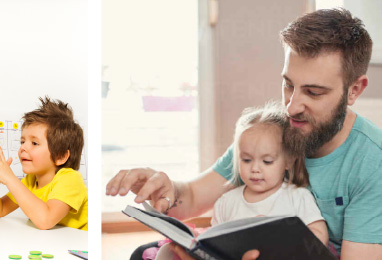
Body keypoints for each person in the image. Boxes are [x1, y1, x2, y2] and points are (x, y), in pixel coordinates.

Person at [107, 8, 380, 259]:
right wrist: (165, 190)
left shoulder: (372, 164)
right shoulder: (272, 132)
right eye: (288, 85)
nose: (292, 106)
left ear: (354, 90)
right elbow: (190, 197)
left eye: (313, 92)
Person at [152, 103, 329, 260]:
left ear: (288, 161)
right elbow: (216, 243)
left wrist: (283, 242)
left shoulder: (297, 197)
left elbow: (319, 235)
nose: (255, 169)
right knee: (167, 251)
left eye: (267, 161)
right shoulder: (226, 202)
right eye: (246, 160)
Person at [0, 97, 88, 231]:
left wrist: (10, 178)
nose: (23, 148)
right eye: (22, 141)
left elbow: (45, 220)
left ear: (60, 156)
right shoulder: (30, 182)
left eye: (34, 143)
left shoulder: (71, 179)